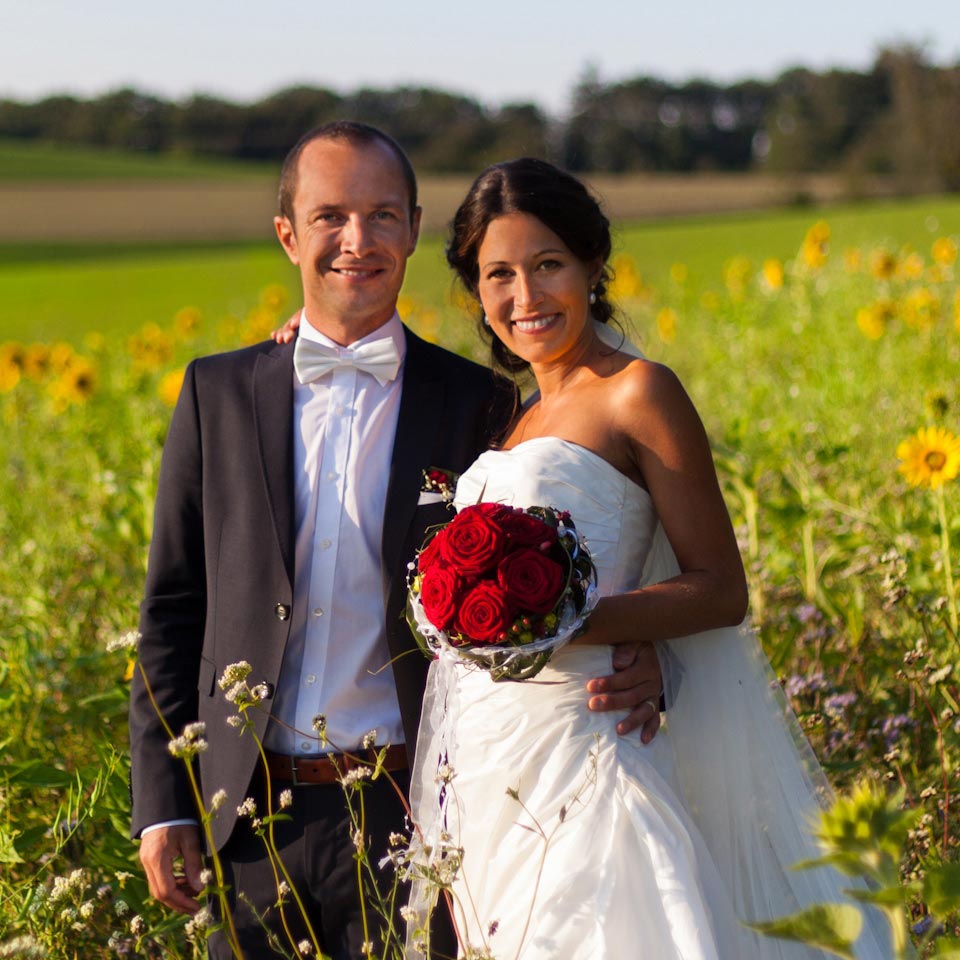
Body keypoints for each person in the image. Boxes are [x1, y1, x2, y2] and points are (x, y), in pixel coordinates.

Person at [129, 124, 664, 960]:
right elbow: (172, 608)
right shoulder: (218, 392)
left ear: (413, 230)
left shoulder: (484, 403)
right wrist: (163, 803)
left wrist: (638, 642)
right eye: (330, 216)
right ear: (288, 234)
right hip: (248, 818)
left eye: (382, 216)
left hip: (419, 811)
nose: (357, 241)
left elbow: (563, 562)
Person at [404, 158, 892, 959]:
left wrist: (559, 623)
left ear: (593, 267)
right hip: (492, 756)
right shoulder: (513, 418)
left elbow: (719, 588)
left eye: (547, 265)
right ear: (476, 291)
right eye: (499, 274)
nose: (525, 297)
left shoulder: (638, 391)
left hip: (591, 741)